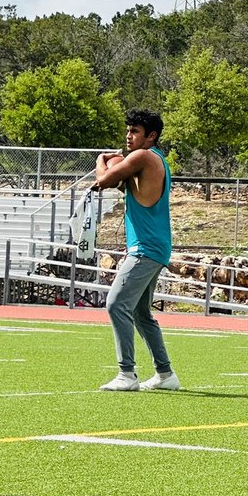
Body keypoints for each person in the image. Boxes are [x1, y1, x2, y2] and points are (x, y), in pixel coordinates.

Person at [93, 109, 180, 392]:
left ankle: (127, 373)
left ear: (151, 136)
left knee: (117, 304)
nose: (128, 136)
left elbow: (103, 181)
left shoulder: (143, 157)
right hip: (153, 246)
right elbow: (125, 186)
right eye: (128, 130)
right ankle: (165, 375)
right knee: (142, 313)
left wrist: (101, 160)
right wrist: (117, 167)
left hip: (146, 248)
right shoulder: (155, 162)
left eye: (135, 131)